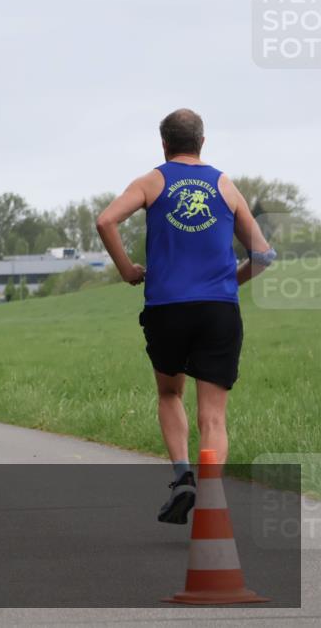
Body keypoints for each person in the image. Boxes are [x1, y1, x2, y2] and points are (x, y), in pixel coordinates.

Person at [96, 108, 273, 525]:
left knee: (170, 393)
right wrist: (230, 282)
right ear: (202, 142)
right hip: (218, 310)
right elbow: (264, 255)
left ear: (164, 144)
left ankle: (183, 477)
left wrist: (126, 270)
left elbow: (105, 220)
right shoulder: (225, 185)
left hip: (166, 308)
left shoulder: (152, 181)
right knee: (213, 415)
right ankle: (211, 497)